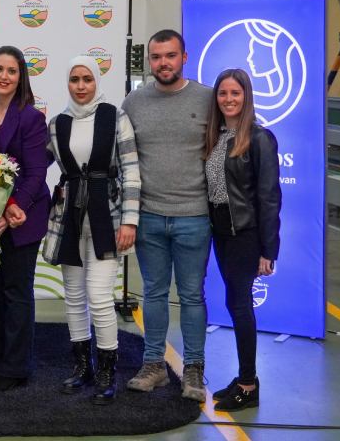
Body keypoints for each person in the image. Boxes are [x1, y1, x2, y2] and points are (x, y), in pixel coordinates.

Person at [121, 29, 213, 402]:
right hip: (149, 218)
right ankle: (154, 365)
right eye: (157, 57)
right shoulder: (134, 102)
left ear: (184, 58)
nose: (163, 63)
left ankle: (194, 370)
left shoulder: (208, 99)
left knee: (192, 296)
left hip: (195, 216)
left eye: (170, 56)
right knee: (154, 294)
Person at [48, 56, 140, 404]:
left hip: (109, 218)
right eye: (75, 79)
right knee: (73, 298)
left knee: (100, 298)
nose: (81, 85)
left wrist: (130, 220)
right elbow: (31, 160)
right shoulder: (57, 123)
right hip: (69, 218)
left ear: (97, 81)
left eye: (87, 78)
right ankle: (81, 367)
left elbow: (131, 170)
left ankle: (106, 371)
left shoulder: (115, 117)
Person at [0, 46, 50, 391]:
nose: (4, 76)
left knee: (16, 294)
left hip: (21, 219)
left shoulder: (30, 117)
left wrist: (11, 209)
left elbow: (35, 172)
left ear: (21, 77)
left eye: (11, 71)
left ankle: (15, 369)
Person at [204, 68, 280, 411]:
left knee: (240, 307)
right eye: (223, 93)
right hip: (221, 231)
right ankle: (245, 377)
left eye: (236, 93)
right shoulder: (216, 136)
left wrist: (269, 249)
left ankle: (248, 385)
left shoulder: (260, 138)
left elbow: (269, 197)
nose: (229, 99)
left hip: (246, 236)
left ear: (246, 96)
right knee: (235, 305)